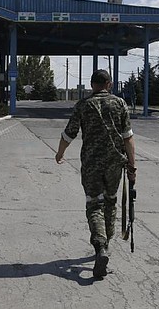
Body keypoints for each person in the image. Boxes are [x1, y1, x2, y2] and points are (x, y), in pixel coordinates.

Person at [55, 69, 136, 279]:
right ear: (109, 84)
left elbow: (69, 133)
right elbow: (128, 138)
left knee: (94, 204)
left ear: (92, 85)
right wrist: (132, 167)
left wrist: (60, 153)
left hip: (91, 164)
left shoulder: (84, 105)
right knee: (110, 202)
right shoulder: (119, 104)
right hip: (114, 164)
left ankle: (99, 245)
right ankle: (106, 245)